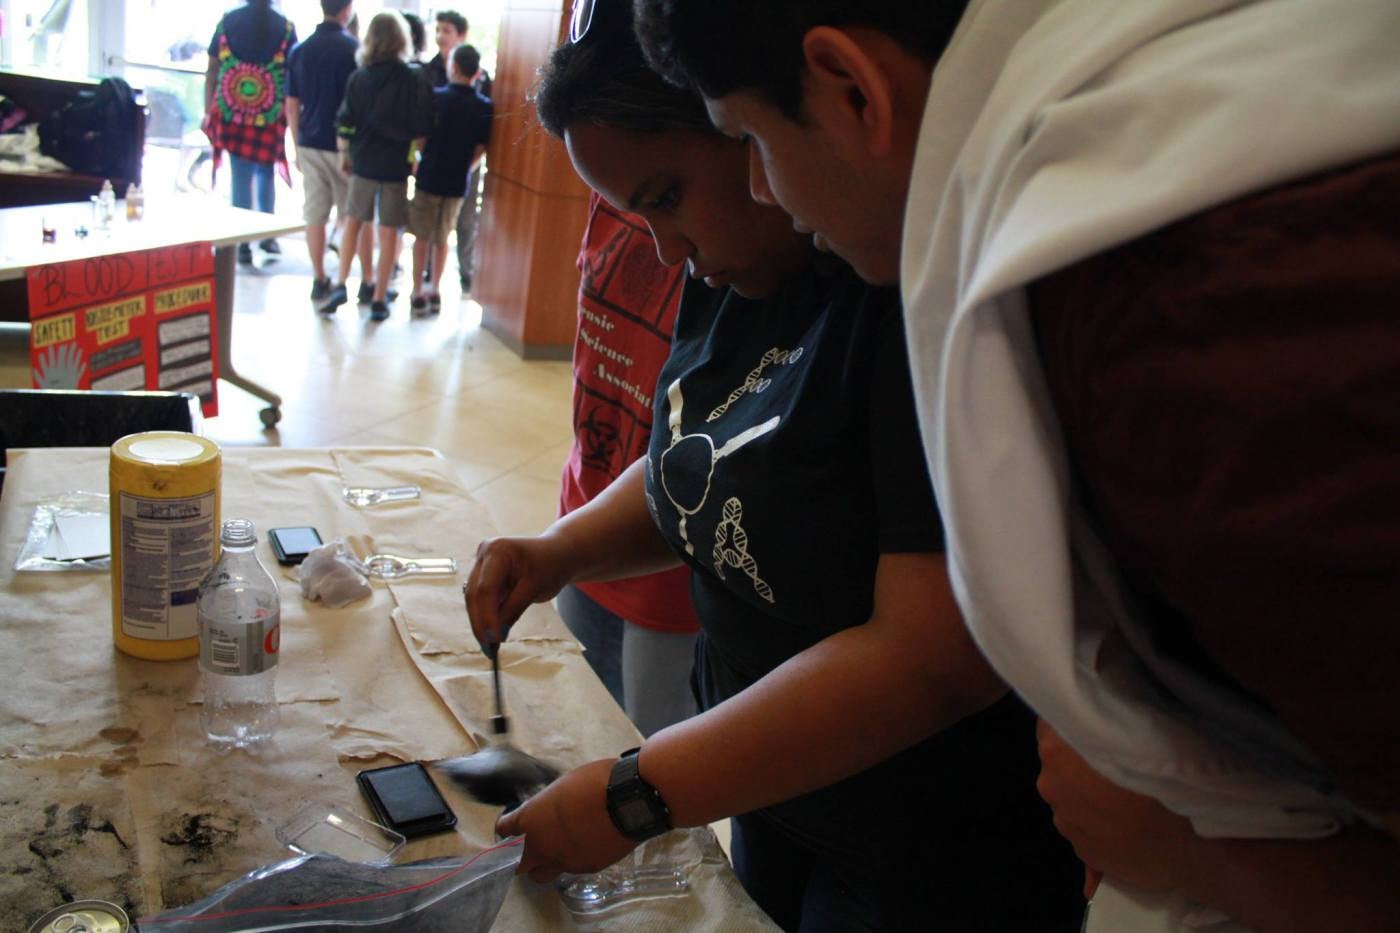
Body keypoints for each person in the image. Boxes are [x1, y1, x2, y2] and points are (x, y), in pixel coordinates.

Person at [634, 1, 1400, 929]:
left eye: (751, 139)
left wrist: (1196, 856)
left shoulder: (1183, 329)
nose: (762, 189)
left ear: (852, 89)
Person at [464, 8, 1083, 930]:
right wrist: (560, 550)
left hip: (920, 839)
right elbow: (703, 460)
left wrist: (637, 792)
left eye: (669, 197)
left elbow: (932, 656)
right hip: (773, 788)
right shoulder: (730, 269)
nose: (668, 249)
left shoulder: (897, 292)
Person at [323, 11, 433, 322]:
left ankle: (340, 282)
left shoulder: (360, 77)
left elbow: (345, 122)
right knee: (389, 232)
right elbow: (421, 125)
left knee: (353, 222)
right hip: (396, 165)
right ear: (402, 39)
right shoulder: (413, 78)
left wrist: (345, 155)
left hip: (364, 160)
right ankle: (380, 297)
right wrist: (415, 156)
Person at [204, 0, 298, 263]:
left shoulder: (228, 21)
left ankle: (242, 242)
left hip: (232, 112)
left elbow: (212, 68)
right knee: (266, 172)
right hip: (269, 114)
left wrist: (208, 108)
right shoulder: (285, 27)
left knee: (240, 176)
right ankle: (267, 236)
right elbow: (292, 73)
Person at [407, 44, 492, 315]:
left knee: (421, 236)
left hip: (430, 176)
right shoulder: (483, 106)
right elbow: (480, 149)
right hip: (457, 182)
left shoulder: (436, 97)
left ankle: (417, 290)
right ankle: (435, 289)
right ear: (476, 73)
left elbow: (421, 138)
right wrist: (466, 168)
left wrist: (420, 159)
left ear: (453, 67)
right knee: (443, 237)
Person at [286, 0, 358, 302]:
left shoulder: (300, 50)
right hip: (344, 146)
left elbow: (292, 104)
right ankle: (342, 278)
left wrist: (296, 142)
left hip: (309, 140)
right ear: (347, 10)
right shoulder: (354, 50)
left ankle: (319, 277)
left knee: (314, 213)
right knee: (349, 214)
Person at [426, 9, 493, 293]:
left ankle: (466, 269)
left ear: (461, 36)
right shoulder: (429, 70)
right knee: (429, 220)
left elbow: (484, 128)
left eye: (447, 30)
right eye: (438, 29)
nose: (440, 35)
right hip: (434, 161)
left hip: (466, 161)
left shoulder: (481, 77)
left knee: (465, 219)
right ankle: (428, 271)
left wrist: (471, 164)